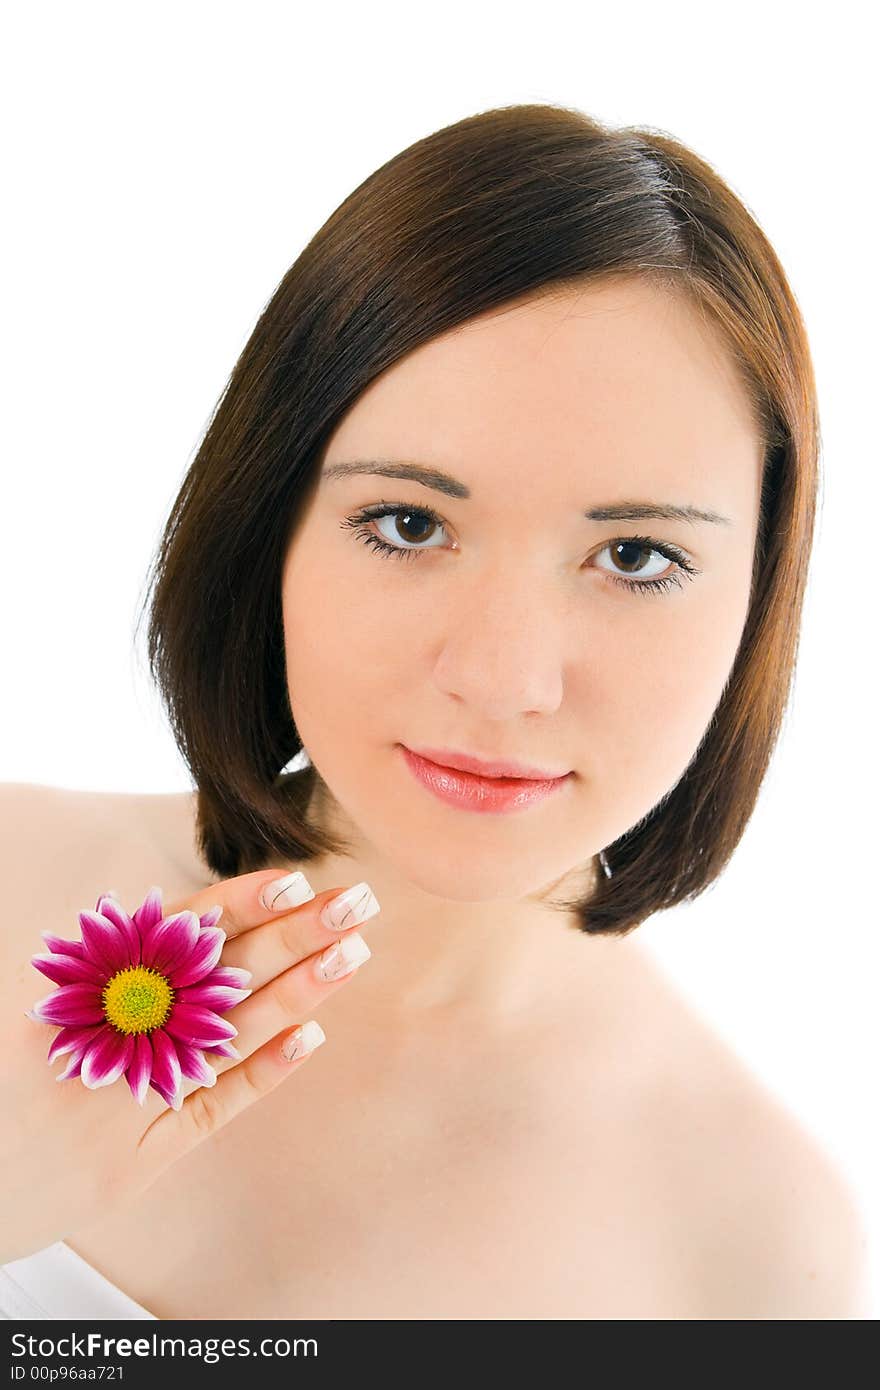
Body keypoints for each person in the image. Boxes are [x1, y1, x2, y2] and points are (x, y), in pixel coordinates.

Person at [1, 102, 868, 1320]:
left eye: (634, 556)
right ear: (271, 530)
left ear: (758, 599)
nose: (504, 677)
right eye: (408, 525)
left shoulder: (756, 1252)